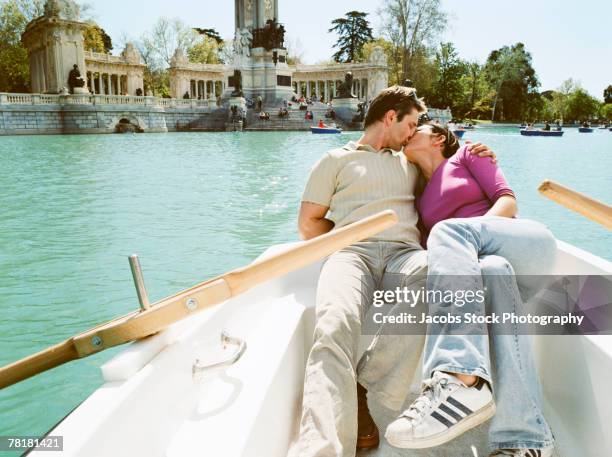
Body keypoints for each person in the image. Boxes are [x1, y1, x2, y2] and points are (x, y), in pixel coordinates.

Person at [289, 86, 495, 457]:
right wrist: (346, 238)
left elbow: (451, 174)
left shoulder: (410, 162)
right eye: (411, 123)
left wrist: (477, 152)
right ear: (390, 118)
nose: (414, 132)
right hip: (351, 253)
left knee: (435, 272)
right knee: (333, 325)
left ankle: (361, 386)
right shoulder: (334, 160)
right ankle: (320, 449)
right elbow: (308, 226)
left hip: (406, 253)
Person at [384, 123, 556, 457]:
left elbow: (506, 201)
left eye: (415, 129)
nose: (407, 134)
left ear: (438, 138)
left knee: (450, 234)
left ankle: (461, 376)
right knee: (490, 269)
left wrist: (471, 234)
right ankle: (528, 440)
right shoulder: (420, 197)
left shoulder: (467, 154)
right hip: (490, 271)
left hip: (524, 245)